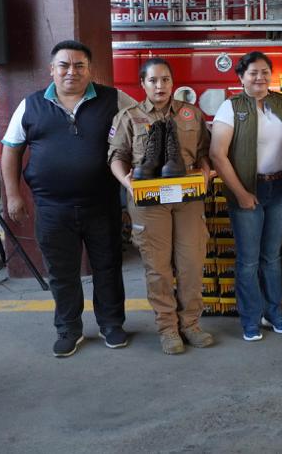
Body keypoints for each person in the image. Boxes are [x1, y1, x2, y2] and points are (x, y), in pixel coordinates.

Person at [0, 40, 136, 358]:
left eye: (79, 65)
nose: (71, 71)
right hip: (52, 208)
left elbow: (144, 123)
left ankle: (112, 325)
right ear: (52, 70)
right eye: (64, 65)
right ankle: (68, 328)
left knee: (108, 266)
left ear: (91, 70)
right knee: (62, 272)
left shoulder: (114, 99)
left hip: (102, 204)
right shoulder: (31, 105)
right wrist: (13, 195)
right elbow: (11, 149)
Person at [107, 58, 214, 355]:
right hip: (150, 202)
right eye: (153, 80)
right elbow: (117, 157)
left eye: (165, 79)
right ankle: (168, 329)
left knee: (191, 264)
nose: (160, 86)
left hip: (187, 199)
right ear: (143, 84)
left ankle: (191, 324)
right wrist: (127, 183)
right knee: (159, 269)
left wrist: (205, 171)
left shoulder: (191, 114)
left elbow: (205, 151)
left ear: (172, 82)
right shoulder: (129, 116)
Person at [209, 51, 282, 342]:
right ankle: (250, 320)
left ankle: (275, 314)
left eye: (264, 72)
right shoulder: (230, 107)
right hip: (247, 190)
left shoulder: (280, 102)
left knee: (271, 258)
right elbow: (217, 156)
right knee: (248, 261)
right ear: (240, 77)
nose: (259, 78)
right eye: (252, 73)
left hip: (278, 189)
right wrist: (242, 194)